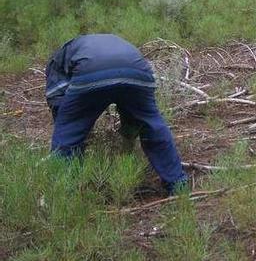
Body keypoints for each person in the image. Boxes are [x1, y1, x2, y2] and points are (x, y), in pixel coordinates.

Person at [45, 34, 188, 195]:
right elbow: (131, 112)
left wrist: (73, 131)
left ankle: (63, 194)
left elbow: (57, 98)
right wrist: (127, 138)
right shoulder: (109, 41)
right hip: (137, 70)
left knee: (68, 132)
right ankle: (178, 185)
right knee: (151, 124)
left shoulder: (57, 59)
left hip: (92, 70)